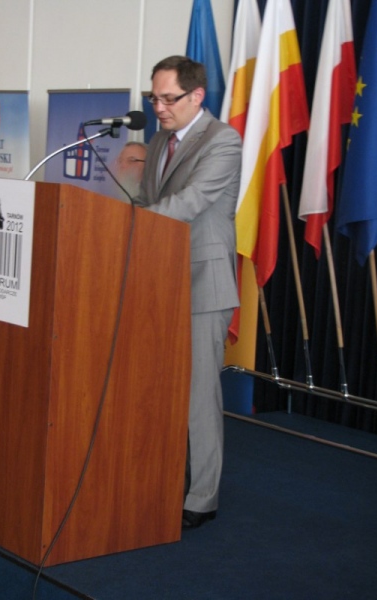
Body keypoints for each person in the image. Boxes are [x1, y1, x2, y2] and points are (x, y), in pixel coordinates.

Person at [133, 55, 242, 529]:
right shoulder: (159, 140)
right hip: (159, 280)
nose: (158, 108)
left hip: (202, 283)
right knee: (159, 388)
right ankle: (164, 479)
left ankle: (202, 498)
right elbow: (147, 199)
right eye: (153, 98)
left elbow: (190, 201)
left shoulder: (223, 140)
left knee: (197, 396)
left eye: (168, 99)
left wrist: (130, 223)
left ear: (196, 96)